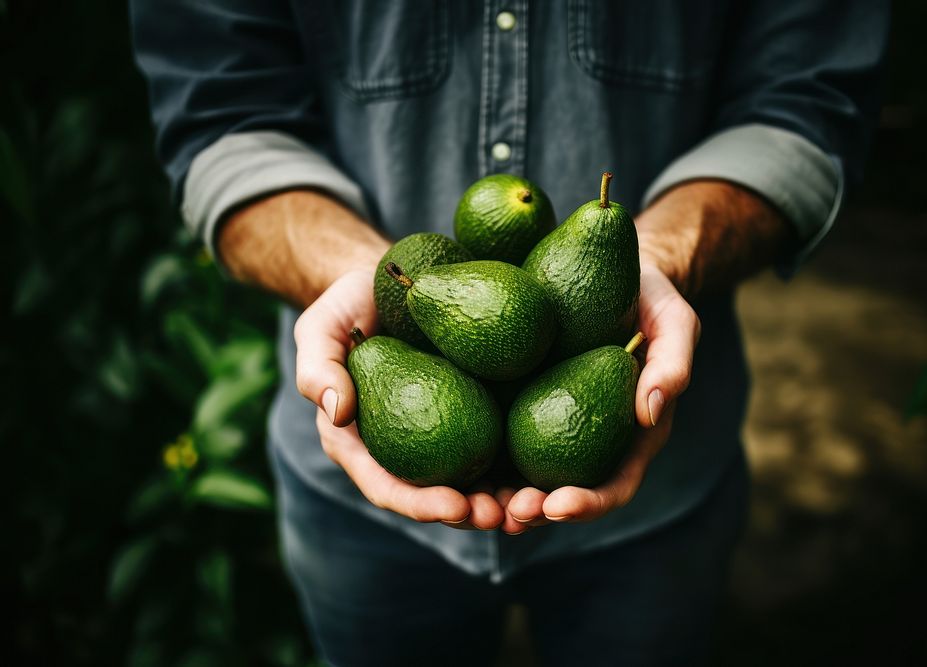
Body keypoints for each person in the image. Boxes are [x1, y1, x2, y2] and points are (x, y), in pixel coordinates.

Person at [132, 2, 888, 664]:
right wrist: (359, 277)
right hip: (355, 509)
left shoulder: (590, 263)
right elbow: (219, 117)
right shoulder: (423, 300)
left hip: (659, 492)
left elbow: (807, 104)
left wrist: (660, 258)